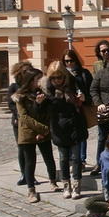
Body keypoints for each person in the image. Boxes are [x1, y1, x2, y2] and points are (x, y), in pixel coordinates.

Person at [42, 60, 88, 199]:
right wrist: (38, 103)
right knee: (63, 158)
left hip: (75, 125)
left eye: (59, 77)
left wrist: (83, 98)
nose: (57, 80)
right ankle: (66, 186)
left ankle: (76, 186)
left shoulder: (74, 84)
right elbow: (41, 110)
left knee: (76, 158)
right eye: (54, 78)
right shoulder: (48, 90)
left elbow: (87, 100)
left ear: (64, 76)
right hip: (59, 127)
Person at [13, 67, 59, 203]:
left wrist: (43, 131)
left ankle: (53, 182)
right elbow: (25, 117)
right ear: (30, 80)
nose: (41, 80)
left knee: (49, 158)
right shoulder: (20, 97)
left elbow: (48, 113)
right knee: (30, 162)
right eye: (38, 78)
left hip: (44, 132)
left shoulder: (44, 94)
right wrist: (37, 105)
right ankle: (31, 191)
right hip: (28, 133)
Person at [62, 48, 94, 170]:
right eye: (66, 61)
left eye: (71, 60)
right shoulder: (61, 75)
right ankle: (72, 161)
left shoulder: (84, 73)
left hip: (80, 108)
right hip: (67, 110)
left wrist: (85, 98)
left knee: (82, 135)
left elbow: (91, 90)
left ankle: (81, 160)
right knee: (68, 136)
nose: (69, 63)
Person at [8, 60, 33, 185]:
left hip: (32, 121)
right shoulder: (14, 87)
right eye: (24, 71)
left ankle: (31, 175)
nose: (26, 73)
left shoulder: (33, 85)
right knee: (22, 148)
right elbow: (11, 104)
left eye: (28, 71)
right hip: (18, 122)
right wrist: (19, 113)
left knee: (31, 150)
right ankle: (24, 174)